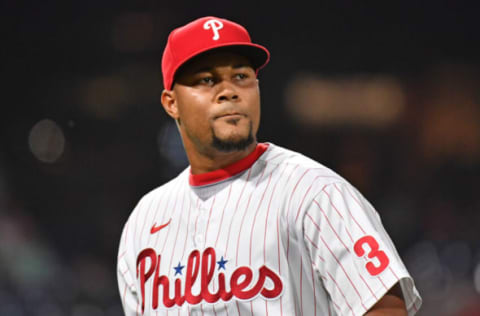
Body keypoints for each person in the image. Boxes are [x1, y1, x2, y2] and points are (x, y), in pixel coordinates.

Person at [117, 16, 422, 316]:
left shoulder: (316, 193)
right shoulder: (144, 221)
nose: (229, 91)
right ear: (171, 103)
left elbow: (384, 308)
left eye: (241, 77)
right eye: (207, 80)